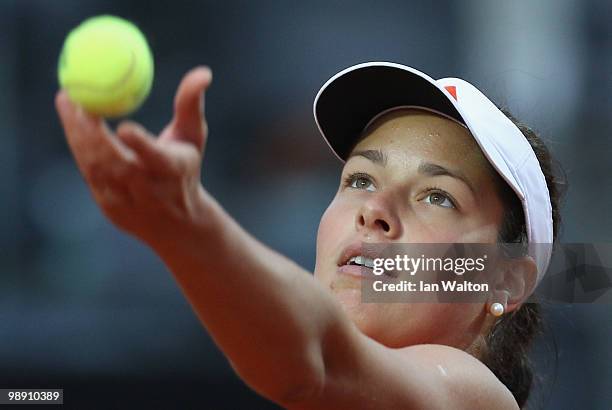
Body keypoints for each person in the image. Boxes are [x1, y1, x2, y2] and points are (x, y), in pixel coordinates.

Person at [55, 61, 563, 409]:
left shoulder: (473, 396)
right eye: (360, 180)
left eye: (437, 196)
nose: (374, 211)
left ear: (504, 281)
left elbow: (316, 361)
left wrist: (187, 223)